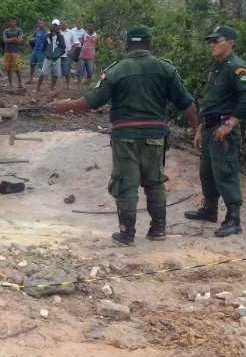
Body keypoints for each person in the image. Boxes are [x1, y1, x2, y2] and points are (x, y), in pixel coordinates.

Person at [54, 25, 198, 246]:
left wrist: (66, 106)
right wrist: (195, 127)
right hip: (154, 136)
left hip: (125, 137)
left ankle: (127, 234)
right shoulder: (165, 69)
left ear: (126, 45)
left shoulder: (116, 70)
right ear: (150, 45)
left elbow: (91, 102)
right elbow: (186, 104)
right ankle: (158, 230)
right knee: (154, 182)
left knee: (126, 183)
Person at [184, 25, 246, 237]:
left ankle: (234, 219)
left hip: (223, 129)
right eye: (211, 41)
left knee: (225, 172)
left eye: (217, 40)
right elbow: (211, 102)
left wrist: (231, 124)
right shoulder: (217, 67)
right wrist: (200, 127)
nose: (212, 44)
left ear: (231, 43)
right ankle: (209, 210)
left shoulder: (236, 67)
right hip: (210, 127)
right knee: (207, 172)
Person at [37, 19, 65, 93]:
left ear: (58, 27)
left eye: (56, 25)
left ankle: (51, 88)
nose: (55, 27)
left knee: (55, 74)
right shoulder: (47, 35)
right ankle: (38, 88)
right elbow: (43, 46)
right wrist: (46, 54)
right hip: (48, 57)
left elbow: (63, 48)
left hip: (57, 58)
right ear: (52, 25)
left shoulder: (61, 37)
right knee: (43, 72)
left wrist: (58, 55)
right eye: (54, 25)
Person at [2, 17, 24, 88]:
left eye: (13, 21)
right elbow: (5, 41)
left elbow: (19, 41)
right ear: (9, 22)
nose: (12, 23)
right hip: (7, 52)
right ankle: (10, 84)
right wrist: (14, 38)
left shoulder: (19, 30)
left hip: (16, 52)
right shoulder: (6, 31)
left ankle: (20, 83)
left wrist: (10, 40)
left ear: (16, 22)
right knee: (8, 68)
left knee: (17, 68)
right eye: (11, 21)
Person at [77, 21, 99, 86]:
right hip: (82, 56)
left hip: (90, 57)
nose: (89, 27)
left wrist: (94, 52)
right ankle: (79, 86)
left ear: (93, 27)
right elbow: (82, 43)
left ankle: (88, 85)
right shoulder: (84, 35)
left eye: (90, 26)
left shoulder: (96, 36)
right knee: (80, 71)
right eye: (88, 26)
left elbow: (97, 45)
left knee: (90, 72)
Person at [26, 19, 48, 84]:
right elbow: (32, 38)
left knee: (41, 65)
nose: (40, 24)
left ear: (44, 23)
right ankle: (31, 78)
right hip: (35, 49)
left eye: (41, 23)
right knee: (32, 64)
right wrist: (29, 46)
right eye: (39, 23)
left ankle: (41, 79)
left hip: (41, 50)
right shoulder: (37, 30)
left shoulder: (46, 32)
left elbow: (48, 42)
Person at [59, 18, 79, 89]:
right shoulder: (58, 32)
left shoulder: (71, 32)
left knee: (67, 70)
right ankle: (57, 86)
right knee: (57, 71)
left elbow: (76, 43)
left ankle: (68, 85)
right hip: (58, 55)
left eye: (64, 22)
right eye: (62, 23)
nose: (63, 24)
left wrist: (72, 51)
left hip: (67, 55)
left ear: (67, 24)